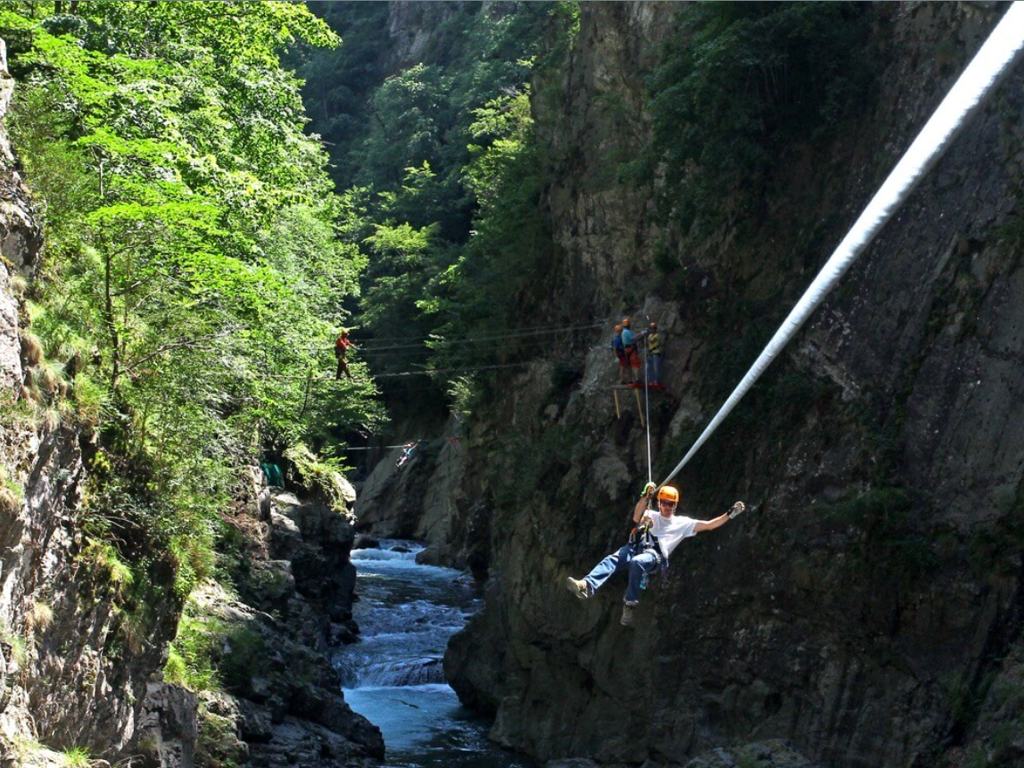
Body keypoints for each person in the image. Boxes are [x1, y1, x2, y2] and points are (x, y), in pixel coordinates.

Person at [564, 483, 745, 627]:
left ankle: (630, 604)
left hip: (655, 557)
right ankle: (586, 585)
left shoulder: (683, 523)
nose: (667, 507)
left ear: (675, 505)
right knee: (613, 559)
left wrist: (729, 514)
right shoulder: (651, 514)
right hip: (637, 547)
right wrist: (645, 497)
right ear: (659, 503)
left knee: (636, 562)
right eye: (664, 503)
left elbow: (709, 525)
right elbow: (637, 516)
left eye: (671, 504)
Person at [620, 317, 641, 385]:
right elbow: (633, 339)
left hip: (627, 350)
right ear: (629, 325)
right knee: (635, 364)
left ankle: (630, 380)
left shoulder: (623, 332)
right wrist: (641, 334)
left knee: (629, 366)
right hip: (631, 349)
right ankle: (637, 379)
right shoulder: (627, 332)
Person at [643, 321, 663, 387]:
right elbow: (648, 344)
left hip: (656, 354)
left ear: (655, 329)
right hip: (651, 354)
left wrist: (646, 335)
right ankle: (652, 380)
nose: (652, 330)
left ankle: (656, 381)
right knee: (647, 369)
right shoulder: (650, 335)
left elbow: (652, 341)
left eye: (653, 328)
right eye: (651, 328)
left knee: (656, 368)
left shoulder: (658, 335)